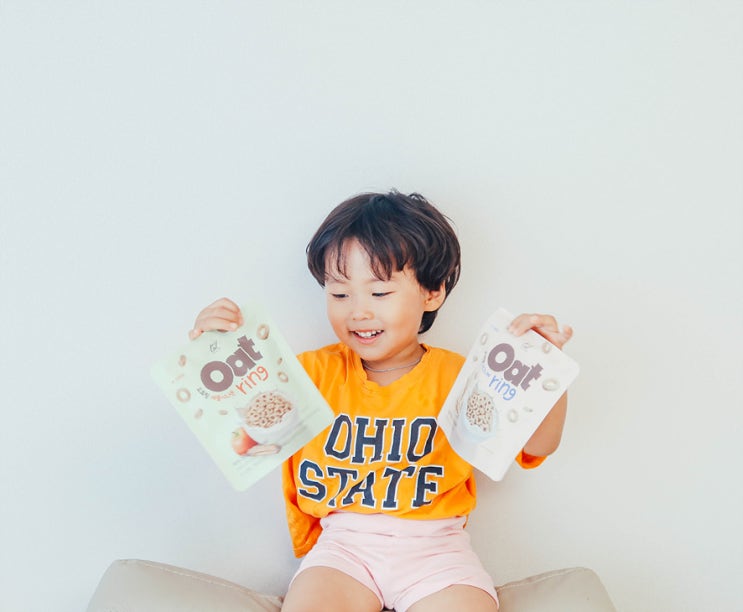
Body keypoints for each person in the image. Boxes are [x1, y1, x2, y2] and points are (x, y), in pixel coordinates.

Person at [189, 191, 573, 612]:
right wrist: (214, 347)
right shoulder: (307, 374)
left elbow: (539, 445)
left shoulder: (461, 377)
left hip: (438, 552)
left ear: (432, 293)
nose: (358, 312)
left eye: (380, 293)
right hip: (343, 550)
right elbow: (239, 425)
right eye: (340, 294)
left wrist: (546, 374)